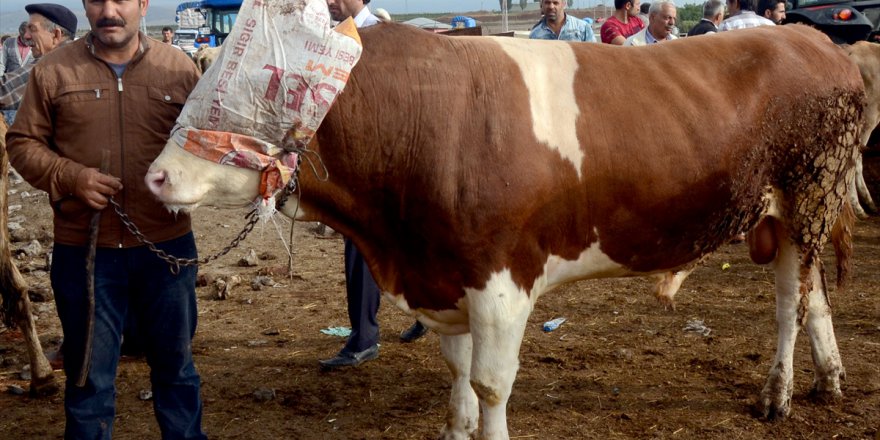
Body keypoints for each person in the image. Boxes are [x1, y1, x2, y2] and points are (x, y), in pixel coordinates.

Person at [6, 0, 205, 438]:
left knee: (177, 370)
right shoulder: (53, 72)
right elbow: (22, 142)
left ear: (143, 5)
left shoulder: (180, 69)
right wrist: (70, 176)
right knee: (89, 378)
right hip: (85, 252)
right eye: (97, 1)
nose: (109, 11)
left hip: (166, 249)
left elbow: (207, 140)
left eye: (121, 1)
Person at [320, 0, 427, 370]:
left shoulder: (389, 39)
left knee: (415, 242)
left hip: (401, 160)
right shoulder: (332, 39)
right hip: (360, 166)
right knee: (361, 247)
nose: (329, 2)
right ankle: (364, 336)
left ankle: (425, 314)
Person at [0, 5, 75, 121]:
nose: (26, 36)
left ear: (56, 35)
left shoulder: (51, 65)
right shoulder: (79, 57)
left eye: (33, 29)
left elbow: (3, 91)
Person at [0, 22, 33, 123]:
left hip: (28, 89)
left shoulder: (36, 44)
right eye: (26, 38)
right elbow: (1, 64)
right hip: (10, 87)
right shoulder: (9, 43)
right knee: (10, 119)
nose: (28, 41)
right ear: (20, 34)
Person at [530, 0, 597, 42]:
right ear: (542, 5)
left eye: (555, 3)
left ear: (564, 4)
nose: (551, 6)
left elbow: (593, 54)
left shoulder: (582, 28)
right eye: (547, 2)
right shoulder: (535, 34)